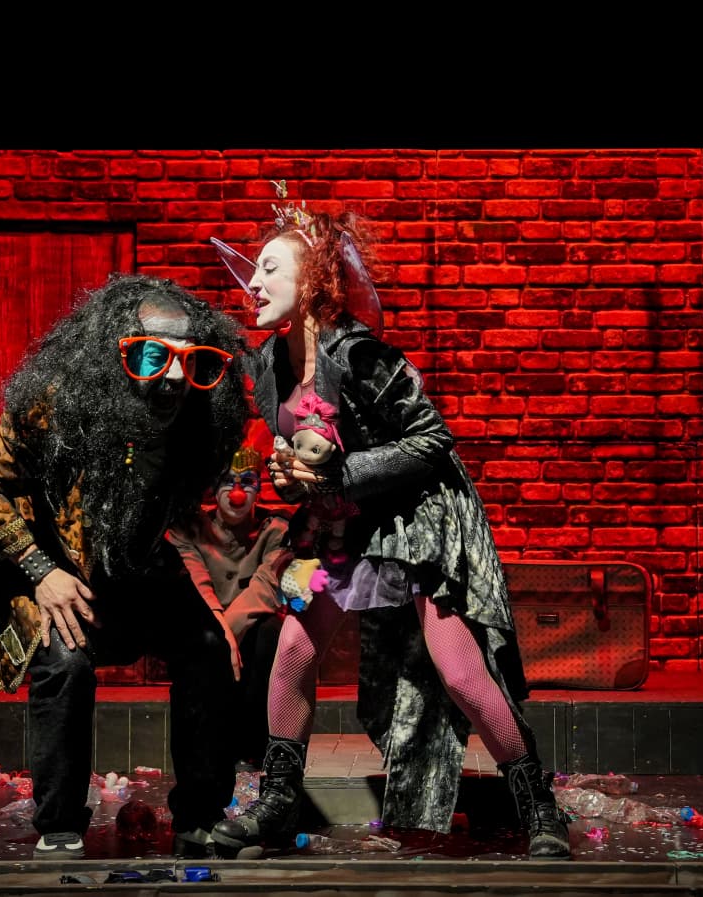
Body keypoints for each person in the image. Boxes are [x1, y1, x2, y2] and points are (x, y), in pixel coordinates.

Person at [206, 187, 572, 859]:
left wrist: (338, 474)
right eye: (253, 270)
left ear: (311, 284)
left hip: (414, 518)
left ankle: (538, 807)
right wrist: (288, 477)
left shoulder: (360, 356)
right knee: (292, 651)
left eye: (269, 269)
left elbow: (431, 440)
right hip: (339, 525)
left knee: (460, 673)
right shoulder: (266, 366)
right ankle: (278, 801)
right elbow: (296, 457)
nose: (252, 283)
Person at [0, 273, 248, 860]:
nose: (173, 376)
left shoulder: (196, 419)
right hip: (59, 570)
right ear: (113, 356)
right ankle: (60, 822)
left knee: (209, 650)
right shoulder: (55, 407)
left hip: (135, 568)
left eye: (191, 360)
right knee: (65, 663)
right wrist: (41, 571)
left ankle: (200, 818)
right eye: (152, 355)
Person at [167, 427, 291, 770]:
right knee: (198, 642)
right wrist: (220, 635)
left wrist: (229, 636)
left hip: (248, 636)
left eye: (247, 482)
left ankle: (257, 750)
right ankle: (202, 755)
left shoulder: (276, 530)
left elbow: (266, 586)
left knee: (272, 632)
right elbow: (198, 585)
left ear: (259, 489)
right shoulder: (190, 529)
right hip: (207, 629)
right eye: (227, 483)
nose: (237, 493)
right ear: (213, 488)